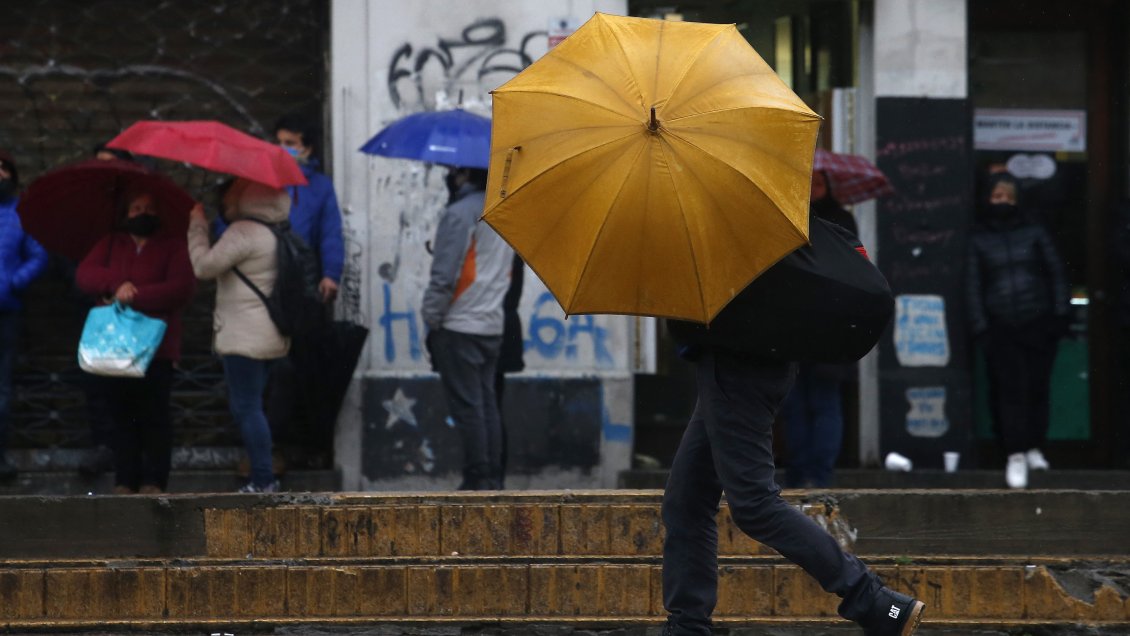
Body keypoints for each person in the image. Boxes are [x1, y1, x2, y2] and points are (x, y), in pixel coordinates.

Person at [662, 223, 925, 636]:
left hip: (738, 364)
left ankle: (873, 599)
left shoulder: (723, 211)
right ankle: (688, 626)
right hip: (742, 363)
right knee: (686, 501)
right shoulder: (738, 204)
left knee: (753, 503)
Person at [76, 189, 196, 494]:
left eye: (149, 208)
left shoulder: (172, 247)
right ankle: (125, 480)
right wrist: (115, 285)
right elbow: (85, 275)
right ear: (126, 213)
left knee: (155, 413)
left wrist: (137, 296)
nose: (142, 213)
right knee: (121, 414)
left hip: (158, 347)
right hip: (115, 347)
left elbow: (181, 288)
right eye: (136, 208)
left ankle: (154, 480)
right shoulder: (110, 244)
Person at [966, 172, 1070, 489]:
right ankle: (1015, 453)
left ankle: (1035, 446)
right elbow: (973, 284)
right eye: (998, 196)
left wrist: (1059, 315)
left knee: (1037, 387)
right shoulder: (979, 238)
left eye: (1009, 197)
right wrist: (981, 327)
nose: (1003, 203)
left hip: (1037, 321)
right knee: (1010, 391)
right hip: (1001, 326)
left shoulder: (1035, 232)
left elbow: (1056, 273)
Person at [187, 178, 291, 493]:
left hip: (244, 337)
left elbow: (204, 267)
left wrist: (197, 227)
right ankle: (263, 474)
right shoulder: (277, 233)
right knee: (253, 406)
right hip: (271, 334)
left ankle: (262, 480)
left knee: (247, 407)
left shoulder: (244, 232)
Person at [422, 166, 514, 491]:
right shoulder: (502, 213)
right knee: (486, 404)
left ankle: (477, 477)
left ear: (464, 173)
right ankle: (490, 477)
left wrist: (431, 319)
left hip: (460, 322)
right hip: (490, 323)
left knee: (469, 407)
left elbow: (445, 278)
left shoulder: (459, 213)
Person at [264, 113, 346, 469]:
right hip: (263, 286)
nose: (283, 149)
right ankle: (267, 447)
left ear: (307, 148)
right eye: (279, 141)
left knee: (306, 372)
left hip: (303, 291)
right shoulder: (262, 179)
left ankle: (307, 446)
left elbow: (330, 232)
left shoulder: (319, 187)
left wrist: (331, 273)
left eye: (291, 143)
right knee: (269, 372)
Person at [781, 172, 859, 488]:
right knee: (796, 402)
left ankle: (818, 474)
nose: (813, 191)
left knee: (823, 401)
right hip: (802, 323)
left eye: (819, 184)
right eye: (809, 184)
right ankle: (800, 472)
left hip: (828, 323)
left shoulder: (835, 221)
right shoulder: (793, 217)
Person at [0, 149, 49, 480]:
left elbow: (38, 255)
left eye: (3, 169)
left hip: (6, 311)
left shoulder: (21, 214)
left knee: (2, 388)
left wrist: (12, 283)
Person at [493, 253, 526, 488]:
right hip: (505, 327)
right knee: (491, 406)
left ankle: (490, 474)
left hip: (494, 327)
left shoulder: (495, 250)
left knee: (487, 407)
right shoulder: (512, 249)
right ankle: (494, 475)